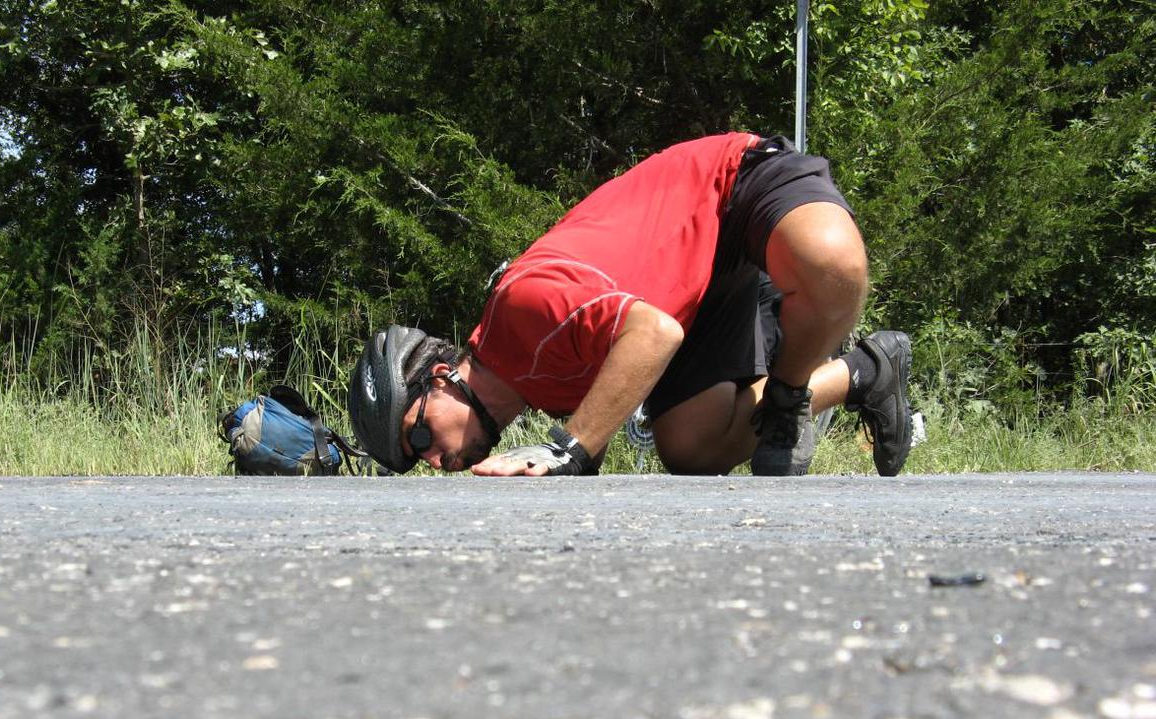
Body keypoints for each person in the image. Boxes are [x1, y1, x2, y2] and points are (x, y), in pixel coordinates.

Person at [347, 132, 913, 478]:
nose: (436, 461)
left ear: (439, 379)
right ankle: (866, 372)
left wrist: (570, 450)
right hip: (696, 299)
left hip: (731, 187)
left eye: (418, 437)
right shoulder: (533, 383)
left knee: (834, 267)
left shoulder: (520, 308)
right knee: (691, 450)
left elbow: (654, 334)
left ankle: (789, 399)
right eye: (418, 461)